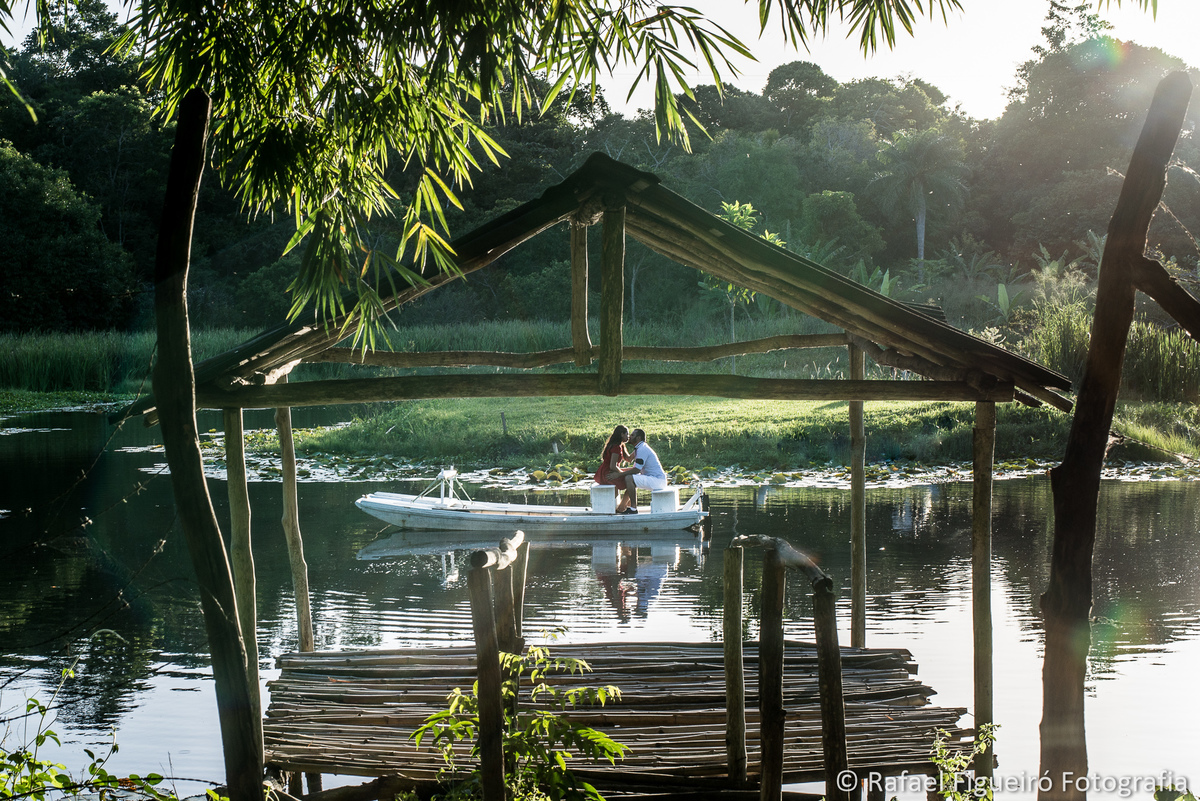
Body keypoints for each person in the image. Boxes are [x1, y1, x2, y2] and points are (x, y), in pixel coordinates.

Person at [619, 428, 667, 514]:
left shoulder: (642, 449)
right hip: (654, 479)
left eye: (632, 435)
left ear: (638, 438)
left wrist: (619, 474)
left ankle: (633, 508)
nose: (629, 437)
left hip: (657, 481)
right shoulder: (640, 447)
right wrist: (621, 444)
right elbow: (629, 459)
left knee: (629, 478)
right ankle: (622, 507)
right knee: (630, 479)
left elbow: (636, 470)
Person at [593, 425, 635, 512]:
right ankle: (622, 507)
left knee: (632, 474)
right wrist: (621, 474)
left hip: (608, 470)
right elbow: (612, 466)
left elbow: (629, 459)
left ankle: (627, 506)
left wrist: (638, 447)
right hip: (608, 473)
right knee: (632, 482)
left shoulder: (620, 445)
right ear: (622, 434)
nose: (628, 437)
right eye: (627, 434)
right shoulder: (616, 447)